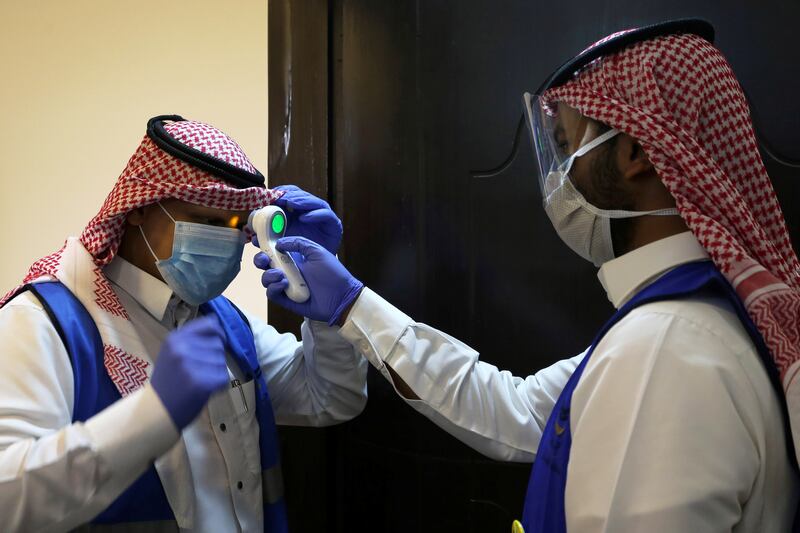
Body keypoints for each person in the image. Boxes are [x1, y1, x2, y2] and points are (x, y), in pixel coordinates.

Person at [256, 19, 800, 532]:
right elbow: (513, 411)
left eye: (566, 146)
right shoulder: (691, 320)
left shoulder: (666, 347)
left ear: (634, 152)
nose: (557, 178)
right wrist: (352, 307)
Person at [0, 115, 367, 531]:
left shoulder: (223, 320)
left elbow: (331, 398)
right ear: (138, 209)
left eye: (234, 225)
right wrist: (153, 414)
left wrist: (330, 315)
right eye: (206, 222)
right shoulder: (43, 326)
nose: (227, 241)